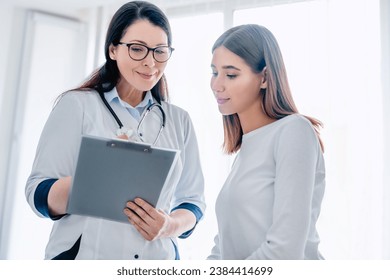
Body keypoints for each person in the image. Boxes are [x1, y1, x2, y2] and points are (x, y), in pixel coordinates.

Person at [25, 1, 205, 260]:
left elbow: (193, 202)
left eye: (160, 51)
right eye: (137, 49)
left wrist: (170, 225)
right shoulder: (77, 105)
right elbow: (38, 192)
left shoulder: (179, 120)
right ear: (113, 49)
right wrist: (95, 177)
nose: (150, 62)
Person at [207, 24, 325, 260]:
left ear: (265, 78)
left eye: (231, 74)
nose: (216, 85)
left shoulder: (294, 131)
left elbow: (285, 249)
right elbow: (224, 246)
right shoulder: (245, 150)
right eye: (214, 72)